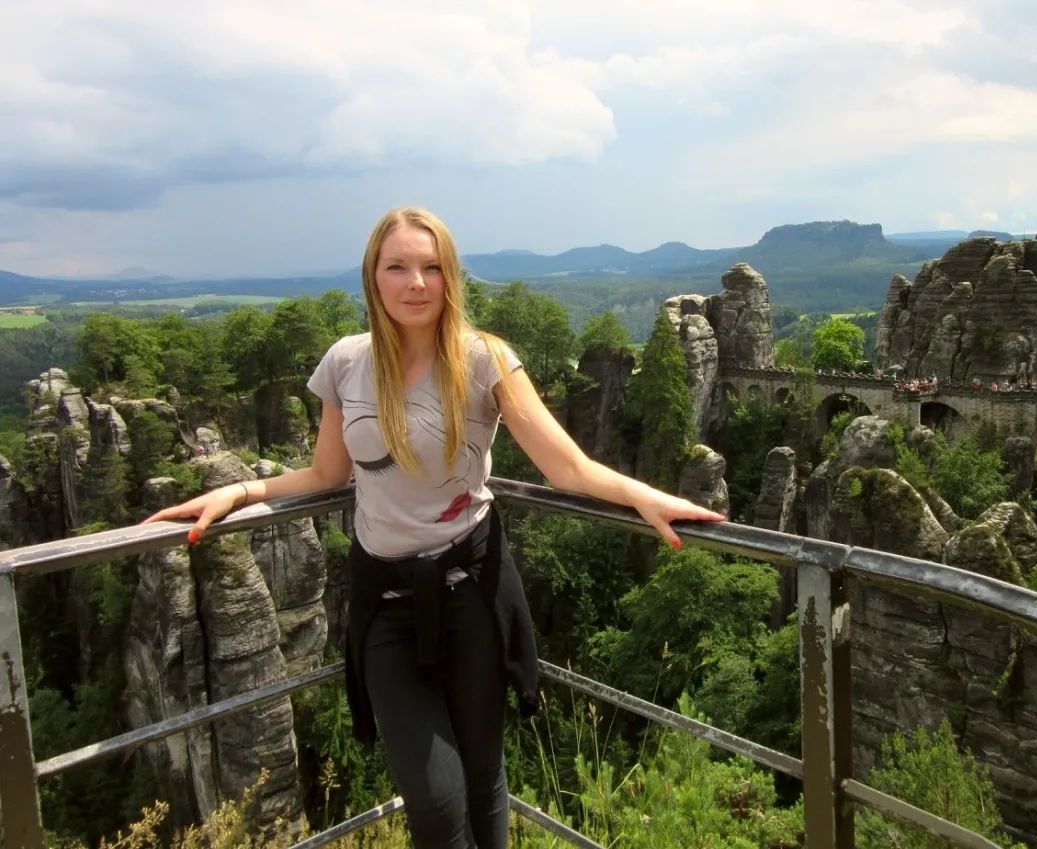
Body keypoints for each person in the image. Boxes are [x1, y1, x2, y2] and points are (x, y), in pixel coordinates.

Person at [143, 207, 724, 849]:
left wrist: (645, 496)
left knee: (483, 775)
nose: (416, 282)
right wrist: (241, 490)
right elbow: (325, 473)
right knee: (433, 799)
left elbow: (566, 466)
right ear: (374, 276)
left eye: (432, 267)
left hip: (471, 585)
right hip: (384, 602)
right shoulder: (345, 363)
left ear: (451, 279)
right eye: (398, 266)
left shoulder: (484, 360)